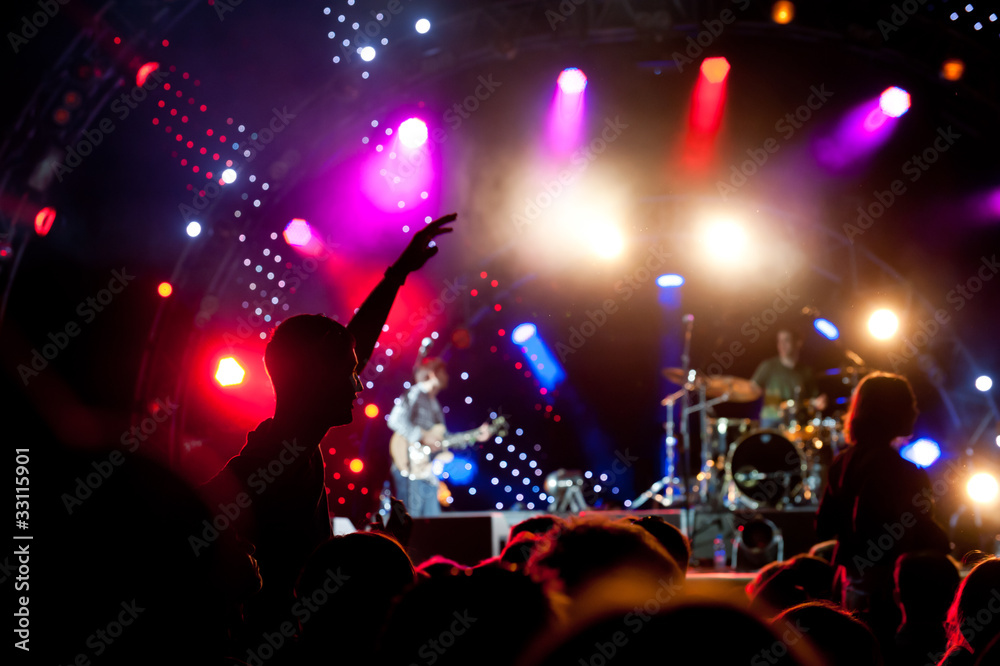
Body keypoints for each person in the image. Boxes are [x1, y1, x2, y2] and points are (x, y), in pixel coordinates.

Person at [200, 213, 458, 641]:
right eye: (349, 372)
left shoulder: (291, 448)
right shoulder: (277, 459)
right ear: (317, 378)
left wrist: (374, 549)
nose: (358, 384)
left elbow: (350, 346)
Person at [815, 371, 950, 649]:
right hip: (890, 593)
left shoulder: (843, 462)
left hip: (848, 585)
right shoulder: (903, 471)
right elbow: (921, 533)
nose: (916, 410)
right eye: (909, 403)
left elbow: (823, 525)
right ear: (892, 411)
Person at [387, 356, 490, 517]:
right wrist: (420, 437)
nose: (447, 377)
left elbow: (444, 439)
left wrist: (475, 435)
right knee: (409, 521)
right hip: (409, 465)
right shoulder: (415, 392)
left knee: (430, 523)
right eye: (444, 372)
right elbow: (395, 419)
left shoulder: (434, 404)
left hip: (427, 471)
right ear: (433, 374)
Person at [750, 328, 827, 428]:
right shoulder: (768, 366)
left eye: (786, 340)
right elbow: (750, 389)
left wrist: (819, 402)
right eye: (779, 341)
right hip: (771, 421)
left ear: (798, 343)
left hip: (796, 422)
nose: (782, 345)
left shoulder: (806, 371)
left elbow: (813, 399)